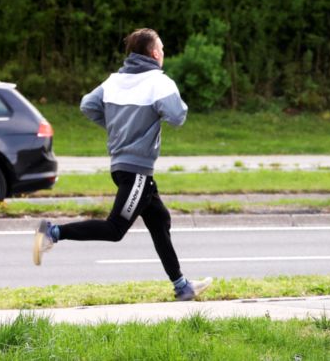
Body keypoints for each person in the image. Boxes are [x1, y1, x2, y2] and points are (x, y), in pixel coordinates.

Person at [32, 28, 212, 301]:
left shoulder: (113, 81)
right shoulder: (159, 82)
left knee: (160, 220)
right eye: (161, 49)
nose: (163, 54)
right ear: (154, 54)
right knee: (115, 229)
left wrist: (117, 129)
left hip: (123, 166)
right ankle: (53, 232)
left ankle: (181, 285)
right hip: (136, 170)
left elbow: (87, 105)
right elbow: (177, 117)